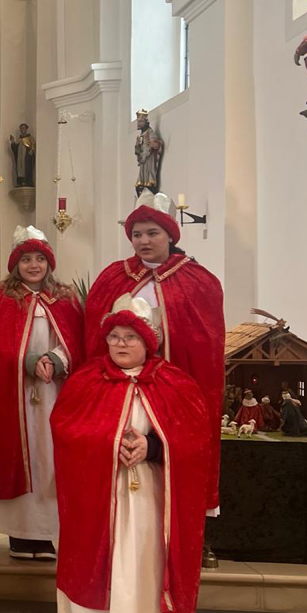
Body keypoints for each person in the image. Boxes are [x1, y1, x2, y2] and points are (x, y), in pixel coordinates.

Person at [53, 295, 211, 613]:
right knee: (112, 576)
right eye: (115, 337)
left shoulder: (175, 383)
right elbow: (66, 431)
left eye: (130, 338)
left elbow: (196, 440)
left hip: (153, 503)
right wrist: (108, 444)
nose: (121, 345)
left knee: (145, 579)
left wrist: (154, 448)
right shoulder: (88, 381)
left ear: (147, 341)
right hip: (102, 501)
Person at [84, 190, 224, 514]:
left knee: (170, 454)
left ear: (170, 234)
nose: (144, 241)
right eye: (136, 234)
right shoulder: (113, 277)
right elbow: (93, 336)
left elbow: (206, 347)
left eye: (152, 233)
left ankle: (186, 524)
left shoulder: (198, 281)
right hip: (121, 388)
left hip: (173, 390)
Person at [0, 226, 84, 559]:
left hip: (56, 394)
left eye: (39, 259)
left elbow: (78, 342)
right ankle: (21, 534)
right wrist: (28, 360)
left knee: (50, 460)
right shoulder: (1, 300)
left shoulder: (65, 299)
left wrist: (56, 358)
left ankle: (49, 532)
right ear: (15, 264)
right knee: (24, 460)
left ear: (49, 263)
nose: (33, 265)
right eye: (26, 259)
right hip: (15, 395)